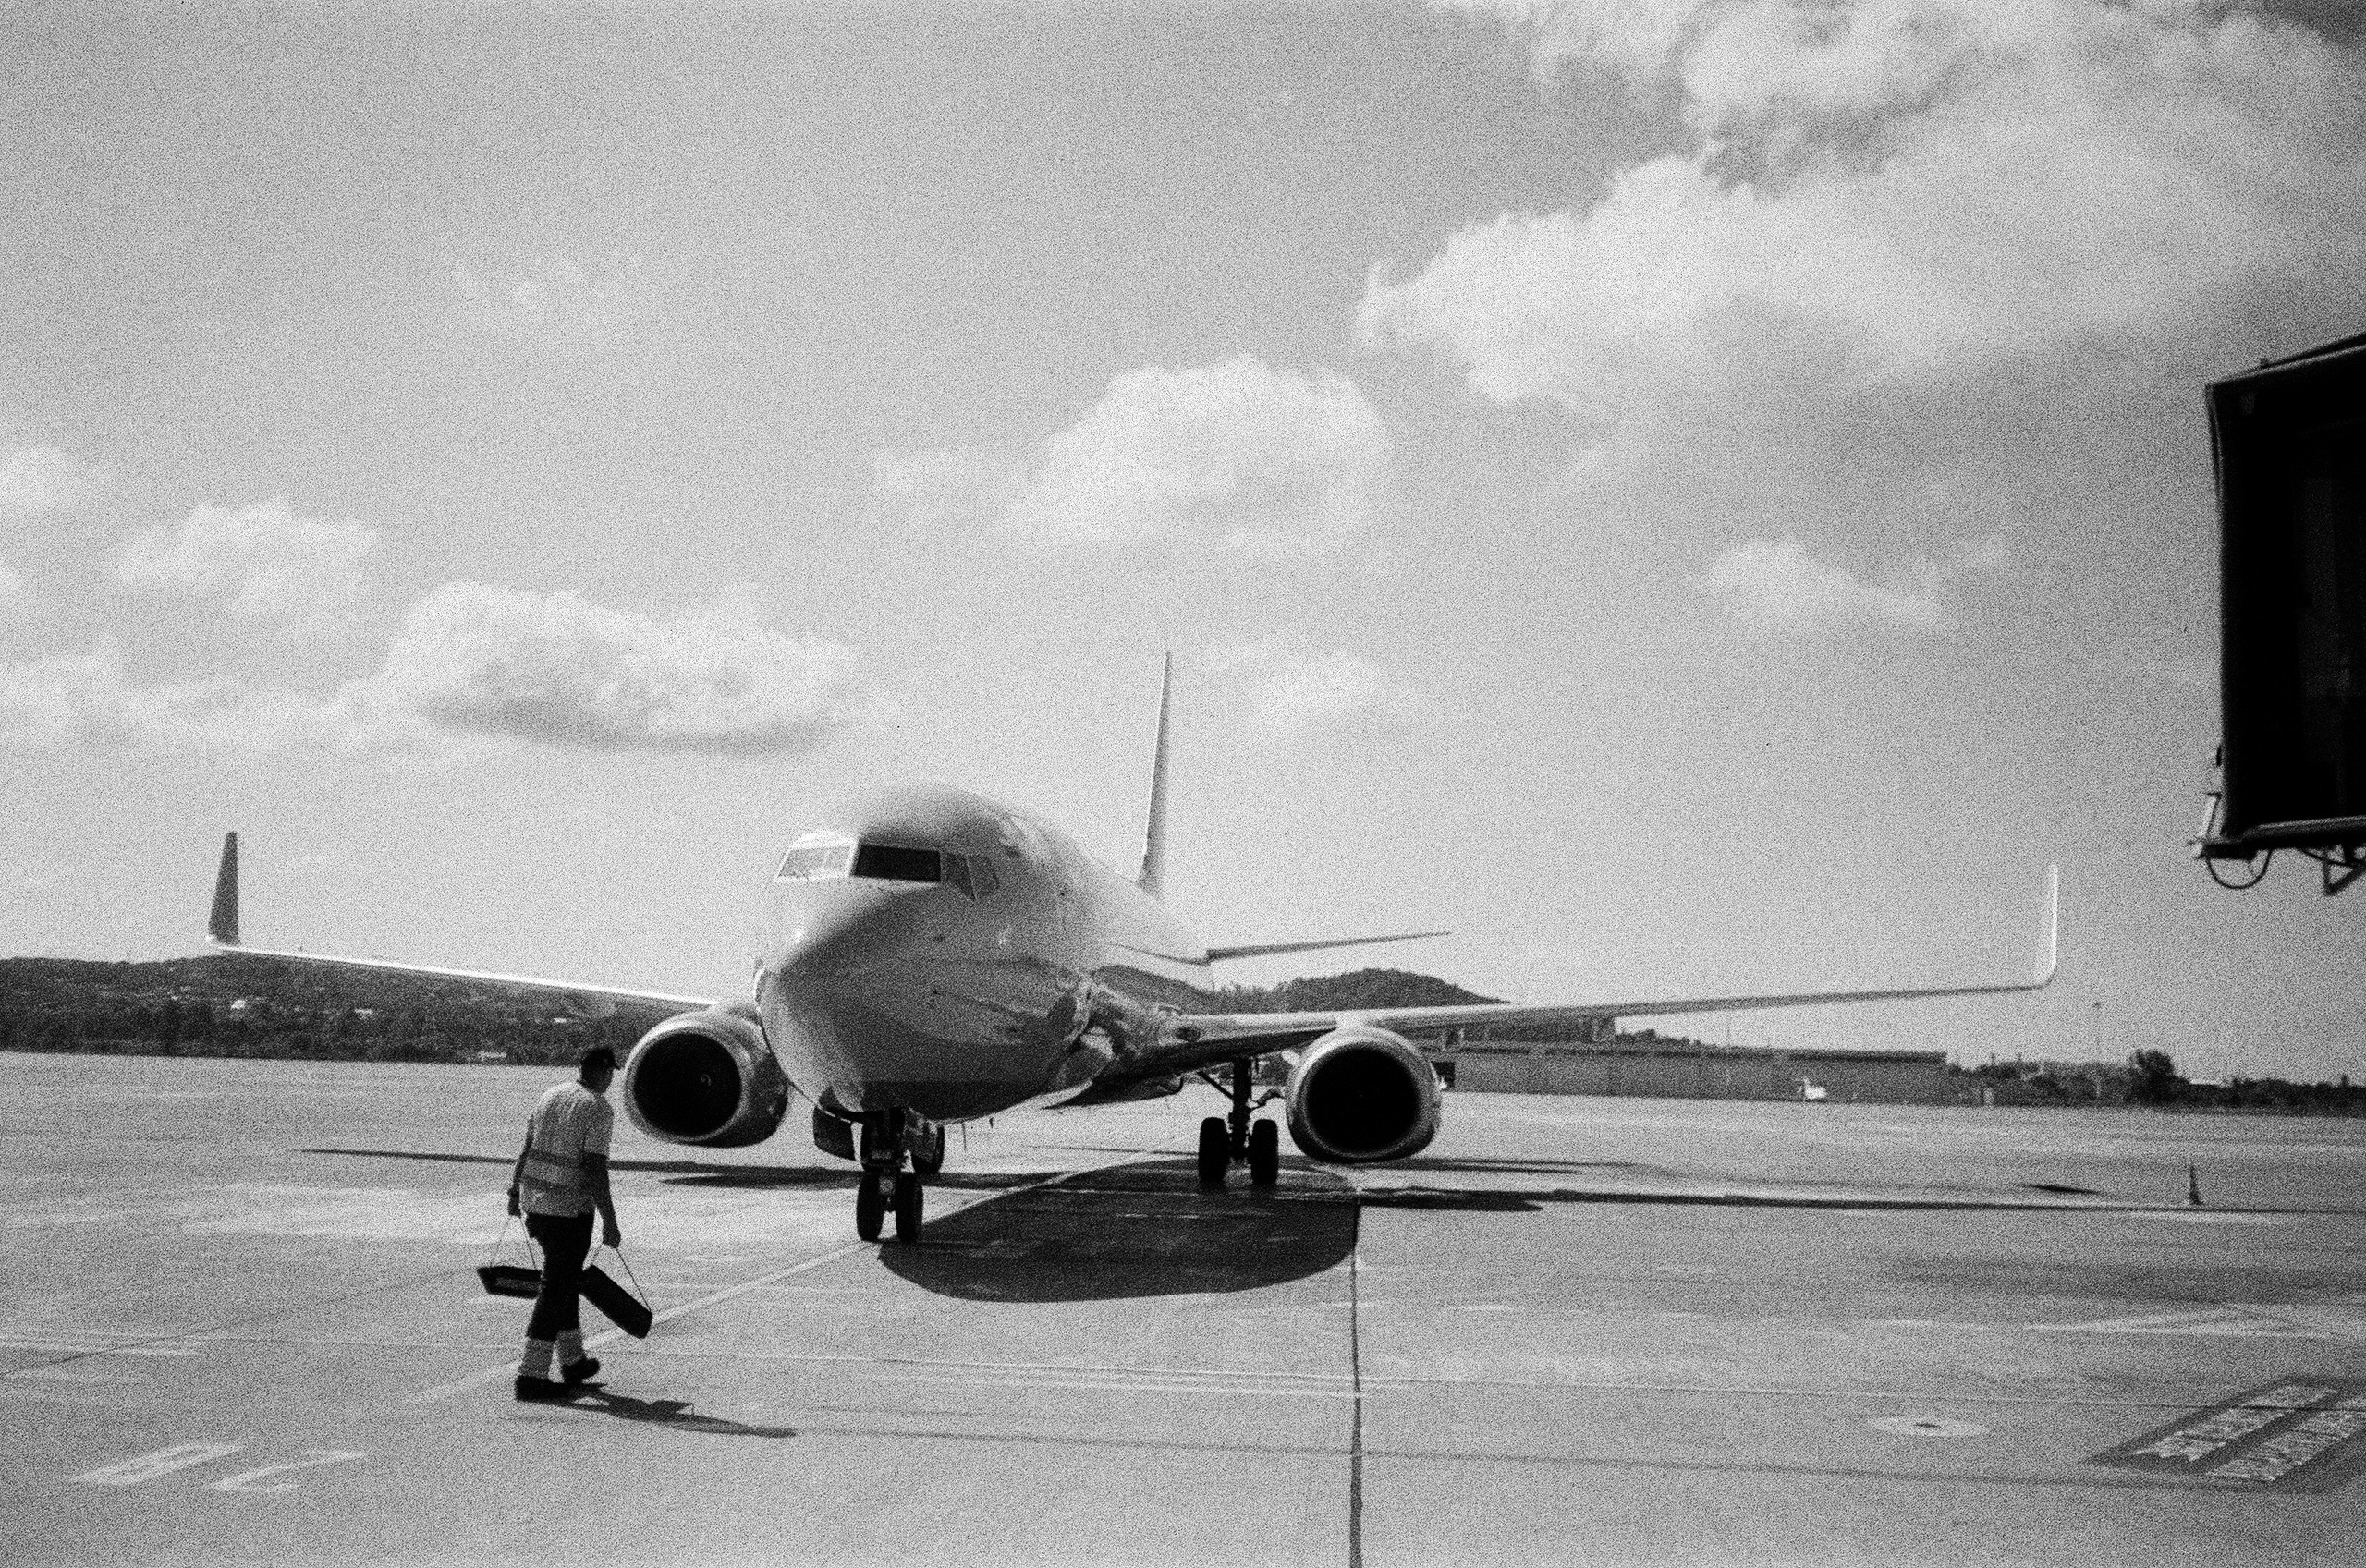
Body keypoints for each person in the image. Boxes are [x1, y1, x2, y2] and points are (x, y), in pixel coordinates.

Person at [506, 1044, 623, 1401]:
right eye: (611, 1073)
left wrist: (513, 1192)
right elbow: (594, 1168)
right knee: (556, 1288)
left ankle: (573, 1360)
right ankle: (531, 1374)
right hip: (568, 1210)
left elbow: (527, 1147)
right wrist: (610, 1220)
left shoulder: (550, 1095)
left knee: (565, 1279)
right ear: (603, 1071)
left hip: (535, 1204)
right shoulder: (598, 1109)